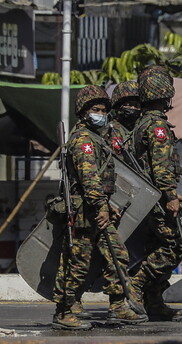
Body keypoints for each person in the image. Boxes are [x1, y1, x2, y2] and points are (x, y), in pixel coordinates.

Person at [52, 85, 148, 330]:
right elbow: (89, 178)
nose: (101, 114)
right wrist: (101, 207)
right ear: (84, 111)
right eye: (96, 109)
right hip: (85, 212)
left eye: (104, 110)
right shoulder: (83, 140)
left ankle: (118, 306)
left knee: (117, 254)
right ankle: (64, 311)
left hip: (98, 209)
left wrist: (107, 206)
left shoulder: (97, 138)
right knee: (78, 262)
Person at [128, 66, 182, 321]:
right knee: (173, 247)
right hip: (157, 200)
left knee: (156, 246)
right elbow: (161, 166)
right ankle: (136, 285)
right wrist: (171, 195)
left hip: (149, 198)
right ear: (165, 94)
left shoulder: (142, 123)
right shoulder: (157, 126)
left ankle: (154, 302)